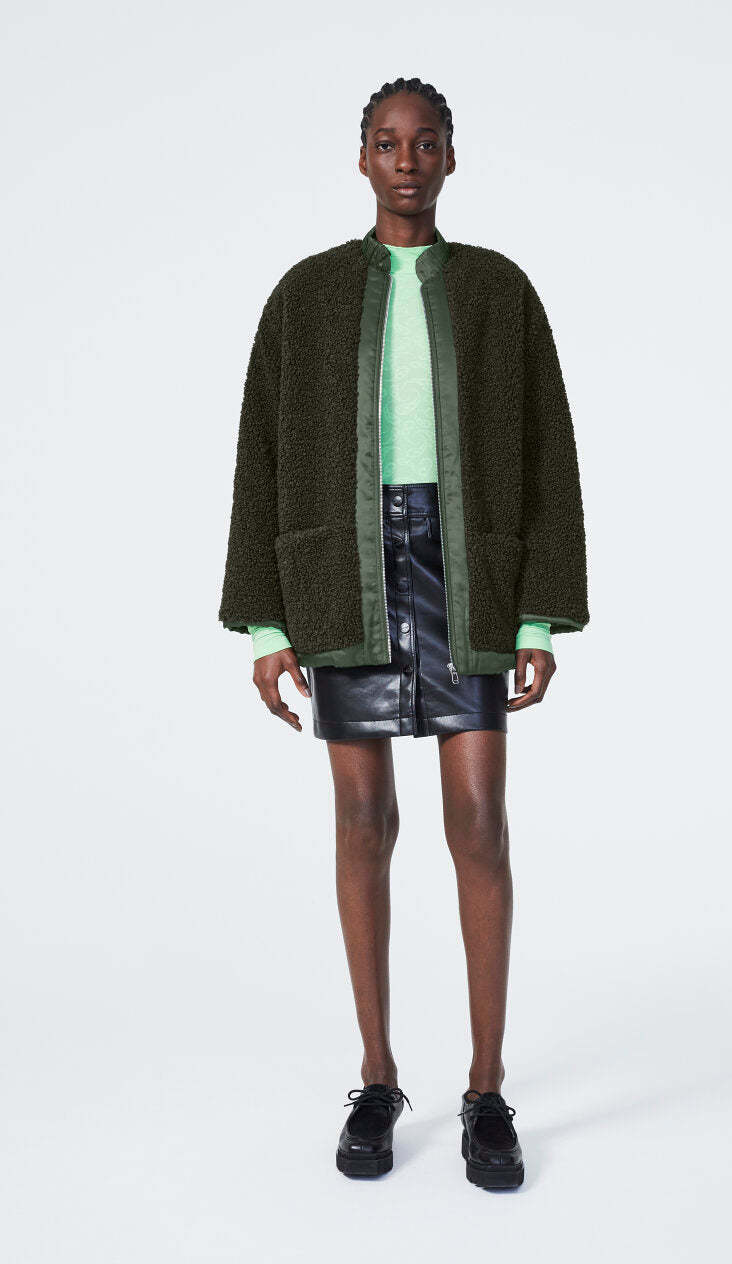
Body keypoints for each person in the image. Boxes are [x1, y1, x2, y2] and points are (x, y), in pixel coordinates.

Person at [218, 76, 589, 1189]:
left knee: (478, 823)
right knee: (362, 819)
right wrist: (267, 620)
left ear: (452, 157)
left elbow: (547, 450)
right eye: (388, 143)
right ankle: (377, 1076)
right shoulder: (306, 296)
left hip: (467, 567)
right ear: (362, 158)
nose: (408, 162)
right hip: (346, 566)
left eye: (426, 143)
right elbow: (262, 451)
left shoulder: (498, 291)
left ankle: (486, 1088)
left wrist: (536, 610)